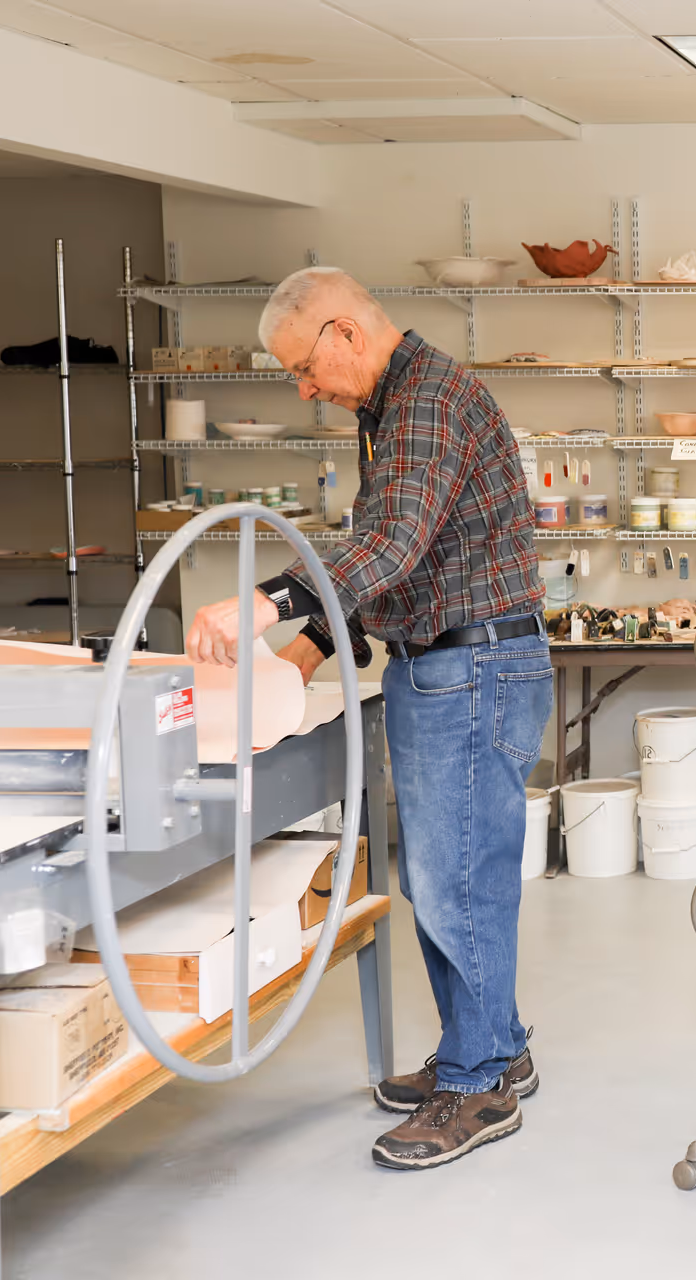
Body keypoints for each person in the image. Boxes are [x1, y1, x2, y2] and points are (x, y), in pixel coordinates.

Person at [185, 267, 552, 1172]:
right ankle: (495, 1045)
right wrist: (306, 652)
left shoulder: (428, 400)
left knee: (457, 881)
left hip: (471, 673)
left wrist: (265, 602)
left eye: (304, 369)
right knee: (450, 877)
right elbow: (399, 557)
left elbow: (386, 543)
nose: (304, 390)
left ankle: (477, 1087)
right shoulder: (393, 406)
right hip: (455, 668)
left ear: (344, 332)